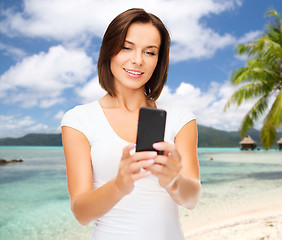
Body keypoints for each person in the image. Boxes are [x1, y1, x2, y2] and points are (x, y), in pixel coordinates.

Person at [61, 8, 201, 240]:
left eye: (150, 52)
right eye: (127, 47)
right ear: (109, 49)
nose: (137, 60)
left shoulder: (180, 118)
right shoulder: (79, 120)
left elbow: (192, 199)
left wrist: (174, 181)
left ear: (159, 60)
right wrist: (119, 185)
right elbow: (81, 213)